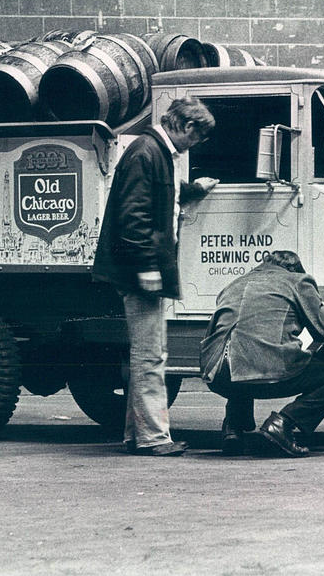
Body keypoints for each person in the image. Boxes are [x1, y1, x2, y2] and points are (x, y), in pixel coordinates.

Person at [93, 96, 217, 456]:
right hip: (141, 273)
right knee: (150, 356)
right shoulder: (148, 152)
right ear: (187, 126)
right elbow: (134, 217)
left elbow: (161, 198)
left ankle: (137, 435)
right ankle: (153, 438)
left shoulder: (151, 152)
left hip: (141, 271)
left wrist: (194, 189)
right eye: (196, 138)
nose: (193, 145)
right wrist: (147, 268)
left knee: (147, 355)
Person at [200, 250, 324, 457]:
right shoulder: (298, 281)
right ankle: (282, 425)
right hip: (264, 371)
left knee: (241, 349)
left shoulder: (233, 285)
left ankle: (233, 428)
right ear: (294, 269)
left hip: (216, 373)